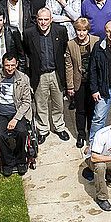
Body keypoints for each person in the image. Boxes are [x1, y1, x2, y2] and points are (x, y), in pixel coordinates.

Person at [23, 7, 71, 141]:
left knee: (58, 103)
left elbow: (64, 50)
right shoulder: (29, 33)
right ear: (36, 20)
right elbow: (27, 52)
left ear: (51, 20)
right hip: (40, 74)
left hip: (56, 73)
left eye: (46, 19)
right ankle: (43, 129)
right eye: (40, 20)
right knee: (41, 104)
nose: (43, 23)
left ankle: (59, 127)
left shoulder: (60, 31)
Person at [64, 17, 97, 148]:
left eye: (83, 30)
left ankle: (91, 133)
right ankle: (81, 134)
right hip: (79, 82)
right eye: (78, 30)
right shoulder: (71, 44)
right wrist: (70, 85)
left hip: (93, 82)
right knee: (80, 110)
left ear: (87, 30)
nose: (81, 33)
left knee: (92, 109)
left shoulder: (96, 41)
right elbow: (69, 66)